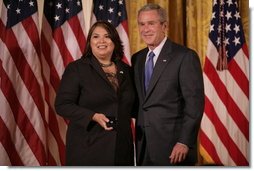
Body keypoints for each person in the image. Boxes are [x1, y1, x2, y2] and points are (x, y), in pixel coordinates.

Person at [131, 3, 205, 166]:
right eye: (142, 24)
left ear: (164, 26)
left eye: (151, 23)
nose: (146, 29)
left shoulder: (185, 57)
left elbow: (194, 105)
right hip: (144, 146)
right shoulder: (137, 59)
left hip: (174, 147)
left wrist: (184, 141)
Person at [55, 21, 136, 166]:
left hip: (121, 149)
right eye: (96, 37)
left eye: (107, 36)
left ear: (115, 41)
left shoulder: (127, 70)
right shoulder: (77, 69)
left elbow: (134, 107)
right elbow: (62, 105)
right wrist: (93, 116)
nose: (101, 41)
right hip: (88, 147)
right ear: (90, 42)